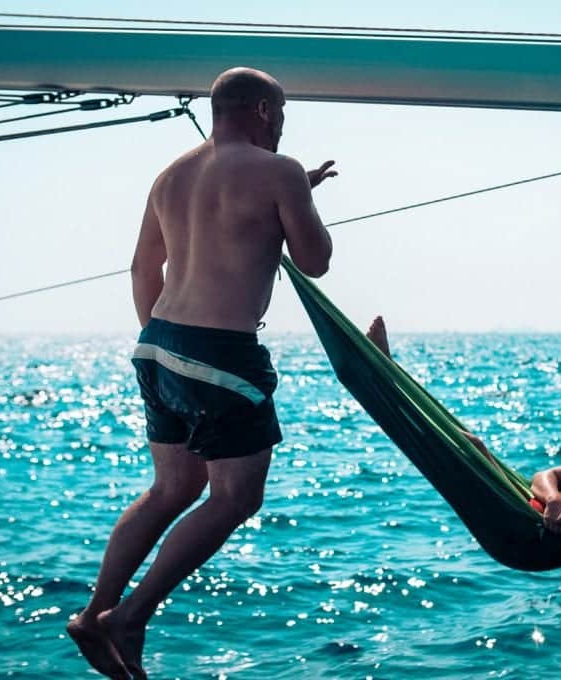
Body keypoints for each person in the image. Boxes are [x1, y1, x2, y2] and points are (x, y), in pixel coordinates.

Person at [66, 67, 336, 680]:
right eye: (284, 110)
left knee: (172, 489)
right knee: (236, 497)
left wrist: (169, 348)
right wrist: (302, 195)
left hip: (157, 345)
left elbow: (142, 269)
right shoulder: (281, 170)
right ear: (265, 110)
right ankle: (128, 618)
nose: (286, 123)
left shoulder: (172, 174)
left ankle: (91, 612)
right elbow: (315, 261)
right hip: (220, 353)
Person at [363, 315, 561, 536]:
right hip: (522, 498)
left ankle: (386, 377)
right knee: (472, 444)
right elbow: (544, 475)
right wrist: (551, 498)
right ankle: (389, 373)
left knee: (467, 447)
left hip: (521, 520)